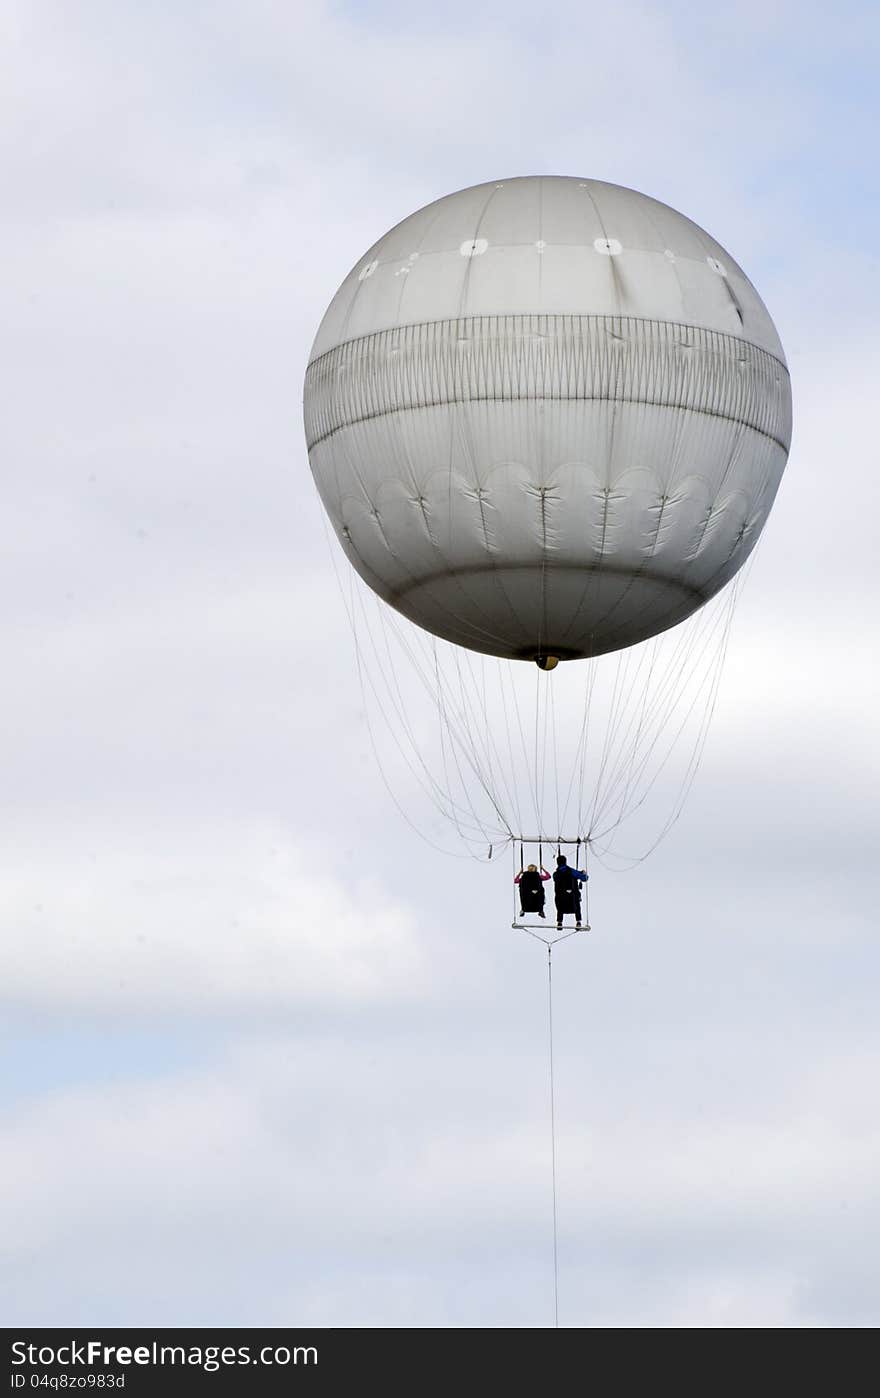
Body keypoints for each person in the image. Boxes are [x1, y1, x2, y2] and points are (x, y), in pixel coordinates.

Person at [552, 854, 588, 929]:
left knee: (560, 907)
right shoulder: (572, 871)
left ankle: (559, 922)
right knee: (577, 906)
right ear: (565, 862)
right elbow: (584, 878)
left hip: (561, 897)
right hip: (572, 897)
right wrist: (583, 873)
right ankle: (578, 921)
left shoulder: (555, 874)